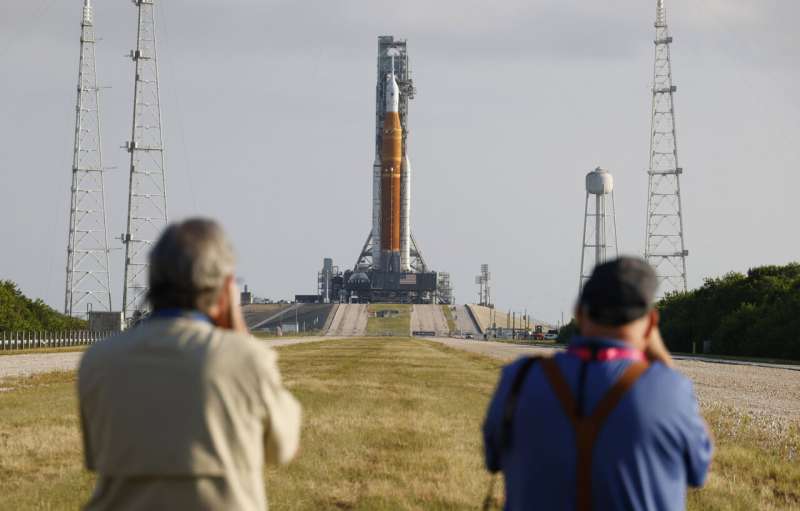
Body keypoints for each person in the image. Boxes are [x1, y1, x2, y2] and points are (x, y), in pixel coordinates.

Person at [78, 218, 302, 510]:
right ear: (225, 290)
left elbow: (96, 457)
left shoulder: (99, 361)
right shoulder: (246, 360)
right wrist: (241, 335)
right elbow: (283, 448)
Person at [482, 257, 712, 510]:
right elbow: (699, 469)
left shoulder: (519, 380)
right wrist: (663, 359)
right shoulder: (670, 390)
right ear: (651, 323)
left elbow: (494, 458)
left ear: (579, 312)